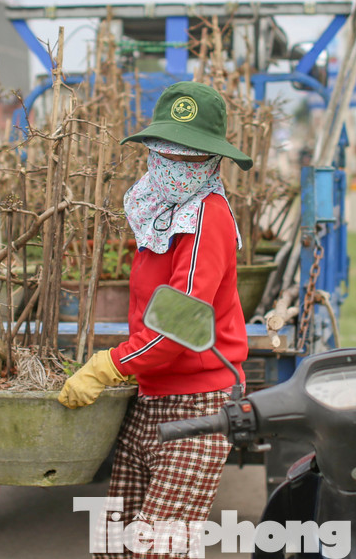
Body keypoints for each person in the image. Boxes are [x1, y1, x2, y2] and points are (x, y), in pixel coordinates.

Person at [60, 81, 252, 558]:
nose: (176, 165)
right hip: (152, 396)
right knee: (114, 544)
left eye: (192, 157)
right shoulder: (160, 209)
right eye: (167, 152)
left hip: (200, 403)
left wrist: (108, 365)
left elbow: (178, 325)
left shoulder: (205, 217)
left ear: (213, 162)